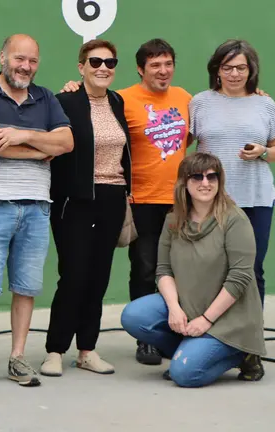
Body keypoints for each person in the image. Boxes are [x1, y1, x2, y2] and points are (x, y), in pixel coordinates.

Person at [61, 39, 192, 366]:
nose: (163, 71)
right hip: (141, 199)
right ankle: (146, 339)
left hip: (181, 202)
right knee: (146, 269)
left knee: (184, 269)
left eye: (168, 64)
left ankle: (180, 331)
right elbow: (95, 108)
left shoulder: (187, 99)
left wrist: (254, 93)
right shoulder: (124, 100)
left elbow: (190, 138)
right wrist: (74, 89)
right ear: (140, 69)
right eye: (155, 66)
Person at [0, 34, 73, 392]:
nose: (25, 67)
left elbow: (66, 142)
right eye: (19, 58)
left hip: (37, 206)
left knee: (25, 287)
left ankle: (17, 357)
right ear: (3, 56)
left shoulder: (46, 97)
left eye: (32, 61)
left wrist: (20, 133)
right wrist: (40, 148)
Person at [120, 152, 266, 387]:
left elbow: (240, 278)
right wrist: (174, 309)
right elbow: (164, 270)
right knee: (134, 316)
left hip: (229, 318)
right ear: (184, 183)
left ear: (220, 181)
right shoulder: (173, 220)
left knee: (184, 375)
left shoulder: (234, 219)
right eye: (197, 177)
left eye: (212, 177)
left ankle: (242, 354)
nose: (205, 183)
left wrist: (207, 320)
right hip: (189, 308)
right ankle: (189, 351)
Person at [41, 39, 130, 378]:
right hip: (74, 201)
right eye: (95, 62)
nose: (103, 67)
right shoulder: (64, 102)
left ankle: (87, 350)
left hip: (112, 197)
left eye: (110, 61)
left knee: (99, 277)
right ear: (81, 67)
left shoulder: (118, 101)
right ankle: (55, 350)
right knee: (74, 275)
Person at [189, 39, 275, 306]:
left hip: (256, 198)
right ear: (217, 70)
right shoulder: (199, 103)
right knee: (212, 270)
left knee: (252, 270)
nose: (234, 74)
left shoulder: (265, 104)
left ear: (251, 70)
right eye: (228, 67)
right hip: (212, 200)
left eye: (241, 68)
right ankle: (213, 336)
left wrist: (262, 151)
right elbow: (180, 145)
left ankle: (251, 340)